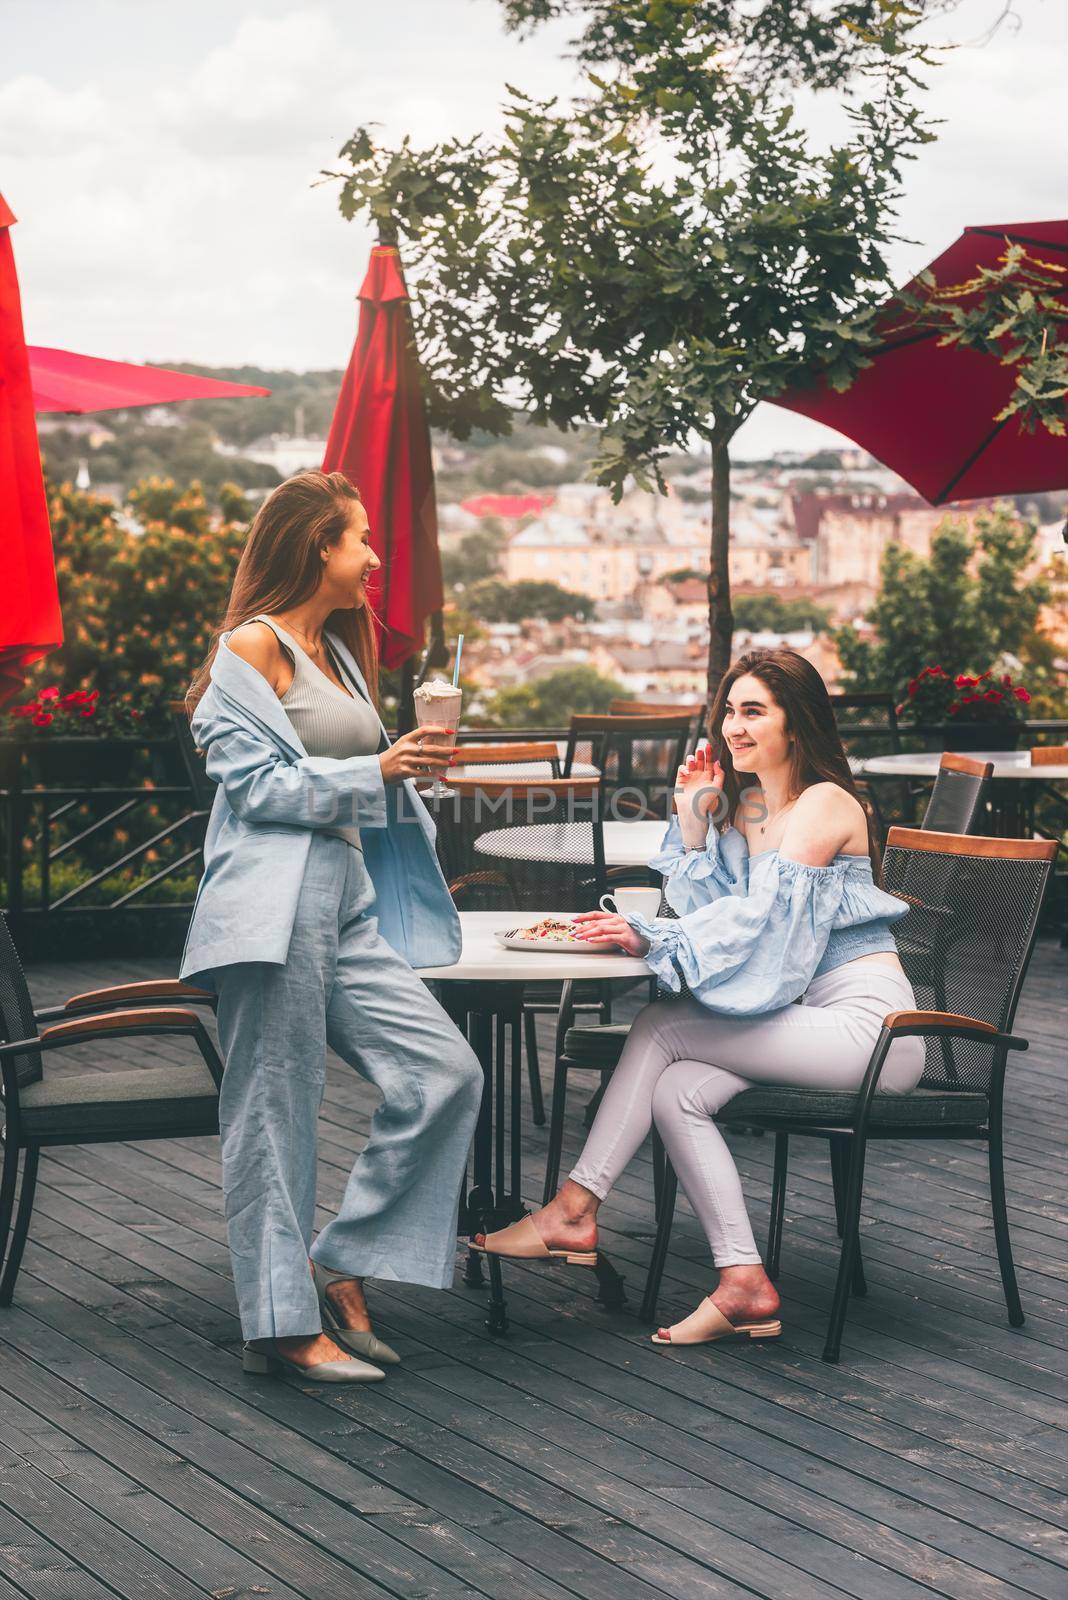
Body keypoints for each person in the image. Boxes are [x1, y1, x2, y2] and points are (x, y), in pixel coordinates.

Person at [476, 648, 925, 1347]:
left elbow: (762, 926)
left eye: (755, 711)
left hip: (873, 1033)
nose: (734, 727)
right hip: (806, 1020)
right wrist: (692, 823)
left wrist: (651, 937)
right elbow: (718, 911)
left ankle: (573, 1209)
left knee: (661, 1027)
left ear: (795, 724)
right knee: (677, 1089)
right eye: (730, 711)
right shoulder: (751, 808)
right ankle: (744, 1282)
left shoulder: (826, 804)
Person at [181, 470, 482, 1383]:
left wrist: (408, 775)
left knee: (443, 1074)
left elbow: (361, 777)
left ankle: (339, 1259)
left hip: (345, 900)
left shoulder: (341, 656)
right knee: (274, 1116)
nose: (374, 556)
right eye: (359, 538)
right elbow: (259, 789)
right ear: (318, 544)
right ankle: (281, 1325)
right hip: (270, 908)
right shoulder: (251, 647)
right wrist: (378, 772)